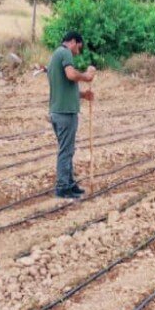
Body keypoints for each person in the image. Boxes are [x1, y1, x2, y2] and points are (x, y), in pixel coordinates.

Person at [47, 31, 95, 200]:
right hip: (64, 113)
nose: (78, 52)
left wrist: (83, 95)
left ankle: (69, 183)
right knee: (66, 151)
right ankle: (62, 187)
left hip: (57, 111)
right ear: (73, 42)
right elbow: (71, 75)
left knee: (67, 149)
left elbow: (65, 86)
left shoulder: (55, 56)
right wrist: (87, 76)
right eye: (79, 48)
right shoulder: (65, 52)